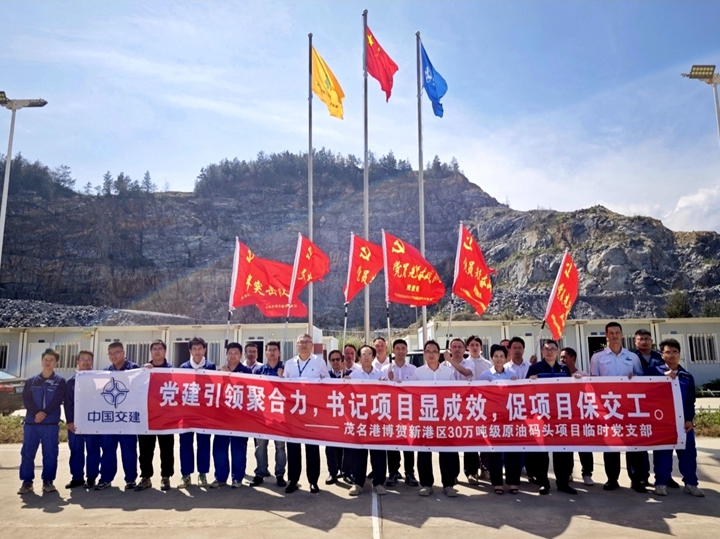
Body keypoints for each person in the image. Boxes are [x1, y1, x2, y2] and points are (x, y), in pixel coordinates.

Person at [589, 321, 644, 492]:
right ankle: (612, 479)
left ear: (622, 334)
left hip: (629, 407)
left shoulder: (632, 357)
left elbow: (642, 380)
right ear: (606, 335)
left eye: (617, 332)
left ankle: (636, 480)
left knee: (633, 443)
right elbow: (593, 382)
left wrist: (635, 377)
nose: (614, 336)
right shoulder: (598, 357)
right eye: (611, 333)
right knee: (611, 443)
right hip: (609, 407)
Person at [649, 338, 704, 497]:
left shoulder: (687, 376)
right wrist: (663, 377)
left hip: (683, 423)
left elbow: (690, 401)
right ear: (662, 355)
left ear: (680, 354)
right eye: (668, 352)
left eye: (675, 352)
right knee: (663, 453)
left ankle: (691, 484)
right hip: (662, 422)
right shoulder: (653, 372)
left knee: (688, 453)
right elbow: (642, 388)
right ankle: (661, 484)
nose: (672, 355)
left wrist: (689, 419)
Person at [282, 333, 329, 494]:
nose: (303, 345)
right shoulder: (289, 363)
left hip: (311, 412)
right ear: (296, 345)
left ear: (312, 345)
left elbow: (327, 382)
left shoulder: (319, 362)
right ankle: (293, 480)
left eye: (307, 342)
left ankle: (313, 481)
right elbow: (283, 385)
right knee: (293, 448)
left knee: (312, 448)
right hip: (293, 412)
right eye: (301, 342)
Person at [527, 340, 575, 495]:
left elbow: (570, 389)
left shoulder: (564, 369)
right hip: (542, 414)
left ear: (557, 351)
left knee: (563, 450)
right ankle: (543, 483)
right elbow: (526, 390)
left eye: (553, 349)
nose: (549, 352)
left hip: (560, 415)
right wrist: (530, 381)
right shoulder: (535, 368)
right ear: (542, 351)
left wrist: (577, 381)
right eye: (547, 349)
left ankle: (563, 483)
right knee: (541, 451)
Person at [411, 340, 458, 497]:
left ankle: (448, 484)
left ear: (439, 354)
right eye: (428, 351)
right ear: (424, 354)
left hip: (444, 418)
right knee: (424, 451)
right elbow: (411, 395)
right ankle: (426, 484)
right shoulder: (418, 373)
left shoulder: (448, 372)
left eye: (434, 351)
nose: (431, 354)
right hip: (424, 418)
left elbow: (455, 393)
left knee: (447, 451)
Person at [17, 349, 67, 495]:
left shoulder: (60, 382)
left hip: (50, 424)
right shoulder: (31, 381)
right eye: (46, 359)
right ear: (41, 361)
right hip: (32, 424)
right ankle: (27, 482)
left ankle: (48, 481)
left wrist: (44, 413)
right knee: (27, 453)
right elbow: (27, 400)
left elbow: (58, 400)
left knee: (50, 453)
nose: (48, 362)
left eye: (51, 360)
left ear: (56, 363)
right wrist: (35, 413)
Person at [96, 342, 140, 490]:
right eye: (111, 353)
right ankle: (106, 478)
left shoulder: (134, 370)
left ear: (124, 353)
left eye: (117, 352)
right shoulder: (105, 373)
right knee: (107, 448)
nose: (114, 356)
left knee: (129, 449)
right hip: (110, 419)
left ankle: (131, 479)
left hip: (127, 418)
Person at [480, 345, 521, 495]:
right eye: (496, 356)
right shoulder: (485, 375)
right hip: (493, 418)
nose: (499, 359)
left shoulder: (512, 374)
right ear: (492, 357)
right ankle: (497, 483)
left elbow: (518, 394)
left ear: (506, 358)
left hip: (509, 417)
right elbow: (480, 396)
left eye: (501, 356)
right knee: (495, 452)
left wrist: (516, 384)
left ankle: (512, 483)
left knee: (512, 451)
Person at [348, 345, 388, 496]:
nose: (366, 357)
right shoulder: (353, 376)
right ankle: (358, 483)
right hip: (360, 420)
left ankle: (378, 483)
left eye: (369, 354)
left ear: (373, 357)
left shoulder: (381, 375)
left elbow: (389, 394)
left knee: (378, 453)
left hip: (377, 420)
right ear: (359, 358)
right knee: (359, 453)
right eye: (363, 354)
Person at [631, 329, 668, 488]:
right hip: (637, 404)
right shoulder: (630, 357)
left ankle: (664, 477)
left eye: (647, 339)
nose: (644, 342)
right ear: (635, 342)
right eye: (641, 339)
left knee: (661, 442)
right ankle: (640, 477)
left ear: (652, 341)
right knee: (638, 442)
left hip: (658, 404)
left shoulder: (660, 357)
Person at [178, 337, 216, 488]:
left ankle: (203, 473)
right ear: (190, 351)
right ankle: (186, 475)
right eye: (194, 349)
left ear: (204, 350)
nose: (197, 352)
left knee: (204, 443)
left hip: (204, 413)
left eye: (200, 348)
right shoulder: (183, 367)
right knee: (185, 444)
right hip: (186, 413)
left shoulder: (211, 367)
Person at [137, 340, 174, 491]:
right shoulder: (143, 370)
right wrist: (142, 372)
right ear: (150, 352)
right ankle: (146, 477)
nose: (157, 351)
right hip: (147, 416)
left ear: (165, 351)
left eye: (160, 349)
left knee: (166, 448)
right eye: (154, 349)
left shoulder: (172, 370)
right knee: (145, 448)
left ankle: (166, 477)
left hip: (166, 417)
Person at [211, 342, 249, 489]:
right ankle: (220, 477)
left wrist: (230, 376)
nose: (233, 356)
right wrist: (223, 375)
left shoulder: (247, 372)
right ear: (226, 355)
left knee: (238, 448)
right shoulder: (219, 371)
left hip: (239, 417)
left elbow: (249, 392)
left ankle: (237, 478)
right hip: (222, 416)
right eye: (230, 353)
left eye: (236, 353)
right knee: (219, 448)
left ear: (241, 355)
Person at [383, 339, 419, 487]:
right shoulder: (386, 369)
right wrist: (388, 381)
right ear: (393, 350)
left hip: (407, 411)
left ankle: (410, 472)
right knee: (393, 443)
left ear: (407, 351)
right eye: (397, 348)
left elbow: (417, 389)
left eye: (403, 348)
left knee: (408, 443)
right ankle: (393, 472)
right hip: (391, 411)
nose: (400, 351)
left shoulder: (413, 369)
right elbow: (379, 388)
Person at [250, 341, 287, 487]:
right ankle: (260, 472)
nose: (272, 352)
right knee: (260, 446)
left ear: (279, 353)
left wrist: (283, 379)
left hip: (280, 415)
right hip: (263, 416)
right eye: (269, 350)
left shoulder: (285, 370)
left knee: (280, 447)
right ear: (265, 353)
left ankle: (280, 474)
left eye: (274, 350)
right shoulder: (259, 371)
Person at [64, 350, 101, 490]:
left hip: (92, 421)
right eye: (82, 359)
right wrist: (70, 421)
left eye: (88, 359)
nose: (85, 362)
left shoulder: (98, 379)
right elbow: (67, 403)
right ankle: (77, 478)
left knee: (93, 450)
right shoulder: (70, 382)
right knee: (76, 450)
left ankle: (91, 478)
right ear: (77, 362)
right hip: (75, 422)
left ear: (92, 362)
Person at [560, 347, 594, 486]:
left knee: (584, 447)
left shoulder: (583, 375)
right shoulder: (559, 374)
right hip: (564, 416)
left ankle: (587, 473)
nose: (562, 360)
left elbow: (591, 394)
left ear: (573, 359)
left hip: (581, 417)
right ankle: (568, 472)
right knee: (567, 447)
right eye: (561, 357)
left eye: (565, 357)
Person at [443, 338, 476, 486]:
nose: (456, 349)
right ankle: (453, 474)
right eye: (454, 347)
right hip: (450, 407)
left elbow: (466, 372)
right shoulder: (443, 365)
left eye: (459, 347)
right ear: (450, 349)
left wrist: (450, 361)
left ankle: (471, 472)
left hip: (467, 406)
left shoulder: (469, 362)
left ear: (464, 349)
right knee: (452, 441)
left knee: (469, 439)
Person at [467, 336, 492, 481]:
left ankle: (485, 468)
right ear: (468, 348)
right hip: (468, 406)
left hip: (484, 406)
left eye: (477, 344)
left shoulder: (488, 364)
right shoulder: (464, 363)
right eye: (472, 345)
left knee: (485, 439)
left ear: (481, 347)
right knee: (470, 439)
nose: (475, 347)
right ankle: (471, 471)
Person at [325, 349, 349, 485]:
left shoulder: (349, 375)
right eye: (332, 360)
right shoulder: (326, 376)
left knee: (346, 446)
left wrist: (346, 377)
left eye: (338, 359)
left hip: (346, 416)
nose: (335, 362)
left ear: (342, 361)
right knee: (331, 447)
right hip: (330, 416)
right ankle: (332, 473)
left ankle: (346, 472)